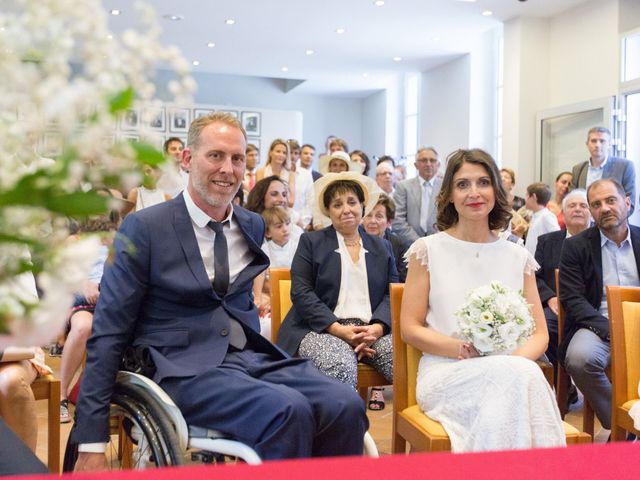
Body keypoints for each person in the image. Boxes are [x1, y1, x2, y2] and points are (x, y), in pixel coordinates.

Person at [70, 112, 367, 471]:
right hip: (178, 369)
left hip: (248, 357)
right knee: (288, 410)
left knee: (345, 403)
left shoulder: (252, 224)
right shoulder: (144, 228)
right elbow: (109, 330)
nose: (228, 168)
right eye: (216, 156)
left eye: (237, 158)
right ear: (188, 159)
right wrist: (91, 439)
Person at [401, 148, 565, 452]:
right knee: (520, 379)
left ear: (496, 191)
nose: (474, 193)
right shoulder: (428, 250)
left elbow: (540, 333)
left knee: (516, 376)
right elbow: (410, 328)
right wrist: (463, 349)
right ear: (449, 194)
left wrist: (510, 362)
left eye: (483, 182)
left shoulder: (518, 255)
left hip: (511, 369)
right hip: (447, 371)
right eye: (463, 184)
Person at [277, 171, 397, 393]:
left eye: (352, 202)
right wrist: (339, 330)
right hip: (322, 328)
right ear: (328, 212)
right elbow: (302, 292)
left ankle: (412, 425)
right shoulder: (311, 242)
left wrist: (377, 329)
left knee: (402, 361)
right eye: (337, 204)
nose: (346, 210)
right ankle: (347, 427)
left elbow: (392, 293)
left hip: (371, 329)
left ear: (363, 205)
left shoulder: (382, 247)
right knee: (339, 364)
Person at [559, 178, 640, 433]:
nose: (604, 208)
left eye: (611, 200)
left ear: (627, 203)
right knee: (580, 359)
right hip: (596, 324)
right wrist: (610, 328)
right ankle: (624, 426)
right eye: (596, 204)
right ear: (592, 211)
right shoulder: (575, 246)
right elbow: (573, 299)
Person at [59, 198, 121, 423]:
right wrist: (85, 285)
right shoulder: (73, 240)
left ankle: (108, 397)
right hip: (80, 294)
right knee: (84, 326)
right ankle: (62, 394)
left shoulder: (118, 241)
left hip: (110, 296)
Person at [534, 189, 591, 368]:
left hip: (591, 306)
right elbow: (535, 276)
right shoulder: (546, 241)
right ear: (563, 213)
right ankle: (562, 387)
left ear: (591, 212)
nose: (577, 209)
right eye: (572, 206)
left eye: (583, 205)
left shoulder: (599, 241)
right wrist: (550, 297)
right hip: (557, 306)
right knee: (543, 327)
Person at [571, 126, 636, 213]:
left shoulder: (624, 166)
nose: (597, 145)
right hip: (584, 223)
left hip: (612, 222)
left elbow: (630, 203)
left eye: (602, 141)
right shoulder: (578, 169)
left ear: (609, 144)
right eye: (593, 141)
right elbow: (571, 199)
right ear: (587, 144)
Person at [392, 147, 442, 246]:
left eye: (432, 160)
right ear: (416, 165)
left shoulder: (446, 187)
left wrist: (435, 240)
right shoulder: (403, 186)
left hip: (439, 244)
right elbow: (397, 220)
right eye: (424, 160)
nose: (428, 164)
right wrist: (419, 243)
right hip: (409, 246)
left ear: (438, 165)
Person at [362, 193, 407, 282]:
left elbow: (401, 282)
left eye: (379, 216)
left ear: (389, 222)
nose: (372, 221)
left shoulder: (398, 245)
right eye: (369, 215)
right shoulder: (354, 240)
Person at [255, 139, 296, 208]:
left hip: (285, 213)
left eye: (284, 153)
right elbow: (258, 198)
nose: (281, 155)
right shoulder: (260, 172)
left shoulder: (291, 174)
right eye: (278, 151)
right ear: (270, 152)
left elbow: (291, 201)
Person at [524, 182, 560, 256]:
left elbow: (558, 238)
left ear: (534, 197)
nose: (525, 199)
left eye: (527, 195)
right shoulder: (536, 215)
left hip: (540, 262)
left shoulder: (547, 216)